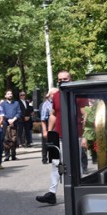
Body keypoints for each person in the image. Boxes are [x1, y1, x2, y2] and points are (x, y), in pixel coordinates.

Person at [36, 71, 72, 204]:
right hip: (59, 136)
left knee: (75, 164)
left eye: (65, 79)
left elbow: (85, 113)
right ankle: (51, 194)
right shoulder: (56, 96)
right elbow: (53, 114)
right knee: (56, 163)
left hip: (75, 136)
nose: (63, 81)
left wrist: (85, 136)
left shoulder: (77, 94)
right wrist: (49, 132)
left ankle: (78, 191)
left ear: (71, 79)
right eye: (60, 79)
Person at [1, 90, 21, 161]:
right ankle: (7, 155)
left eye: (11, 93)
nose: (10, 95)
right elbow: (2, 113)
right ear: (5, 96)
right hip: (6, 123)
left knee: (14, 139)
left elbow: (19, 112)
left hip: (14, 123)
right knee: (6, 139)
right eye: (8, 94)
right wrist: (9, 120)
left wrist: (13, 119)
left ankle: (13, 155)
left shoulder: (16, 103)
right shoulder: (3, 104)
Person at [39, 89, 57, 164]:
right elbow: (43, 119)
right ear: (49, 95)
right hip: (47, 123)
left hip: (56, 123)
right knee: (46, 142)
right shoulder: (46, 104)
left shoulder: (57, 102)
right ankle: (44, 158)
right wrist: (44, 130)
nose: (54, 96)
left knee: (55, 142)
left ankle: (54, 157)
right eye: (53, 94)